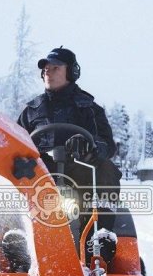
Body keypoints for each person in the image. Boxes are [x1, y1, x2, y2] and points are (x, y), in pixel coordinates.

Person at [16, 47, 122, 260]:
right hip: (42, 173)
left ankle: (99, 236)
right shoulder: (31, 111)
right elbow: (16, 140)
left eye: (55, 68)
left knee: (107, 169)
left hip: (80, 173)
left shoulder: (90, 109)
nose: (48, 72)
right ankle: (17, 237)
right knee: (14, 173)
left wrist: (91, 147)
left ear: (72, 72)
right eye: (46, 68)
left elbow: (107, 145)